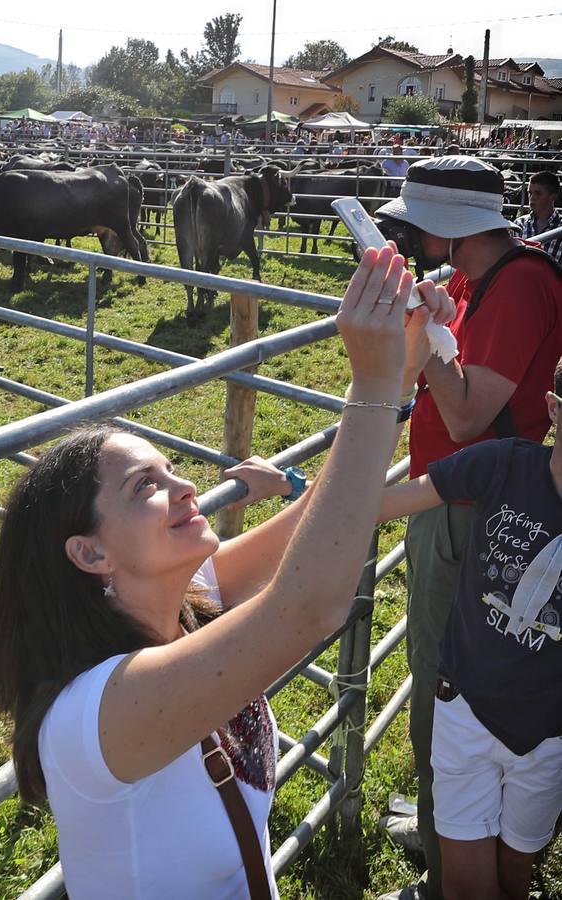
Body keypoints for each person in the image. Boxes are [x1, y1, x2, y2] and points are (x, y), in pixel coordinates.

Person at [0, 246, 447, 899]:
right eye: (147, 485)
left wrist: (396, 374)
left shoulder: (180, 598)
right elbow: (307, 607)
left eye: (171, 468)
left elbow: (316, 521)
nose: (184, 486)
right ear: (90, 553)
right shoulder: (99, 713)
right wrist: (371, 384)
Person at [372, 156, 562, 900]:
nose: (408, 233)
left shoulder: (517, 285)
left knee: (448, 680)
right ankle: (453, 833)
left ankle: (450, 873)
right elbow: (414, 372)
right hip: (456, 504)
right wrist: (424, 327)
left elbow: (464, 412)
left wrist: (428, 330)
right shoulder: (471, 280)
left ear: (447, 224)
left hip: (470, 514)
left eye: (416, 221)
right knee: (450, 674)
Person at [513, 171, 562, 264]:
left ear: (553, 196)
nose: (532, 198)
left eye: (538, 193)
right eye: (530, 193)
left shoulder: (560, 227)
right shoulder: (519, 224)